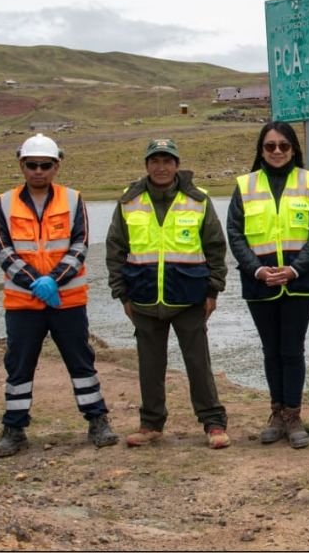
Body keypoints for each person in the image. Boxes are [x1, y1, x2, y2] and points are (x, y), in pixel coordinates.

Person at [0, 133, 118, 457]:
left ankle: (98, 421)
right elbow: (3, 250)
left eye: (45, 165)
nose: (38, 171)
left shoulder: (73, 200)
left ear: (56, 166)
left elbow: (80, 245)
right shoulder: (4, 203)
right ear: (22, 165)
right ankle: (14, 429)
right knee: (18, 367)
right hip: (23, 303)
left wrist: (54, 280)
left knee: (81, 362)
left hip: (67, 302)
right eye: (32, 165)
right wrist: (36, 282)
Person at [106, 138, 230, 450]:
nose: (161, 167)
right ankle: (151, 424)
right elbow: (115, 249)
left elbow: (216, 248)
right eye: (155, 161)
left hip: (189, 297)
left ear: (176, 165)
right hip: (143, 297)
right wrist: (122, 295)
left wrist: (213, 290)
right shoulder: (129, 201)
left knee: (198, 364)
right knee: (150, 366)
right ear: (147, 165)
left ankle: (213, 423)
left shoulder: (198, 200)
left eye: (167, 161)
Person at [227, 122, 309, 449]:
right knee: (271, 350)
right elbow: (235, 234)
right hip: (260, 283)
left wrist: (295, 270)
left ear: (294, 149)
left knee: (292, 350)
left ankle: (293, 415)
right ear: (261, 150)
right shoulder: (245, 185)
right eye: (270, 146)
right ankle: (276, 413)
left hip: (299, 283)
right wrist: (257, 270)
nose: (277, 151)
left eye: (284, 146)